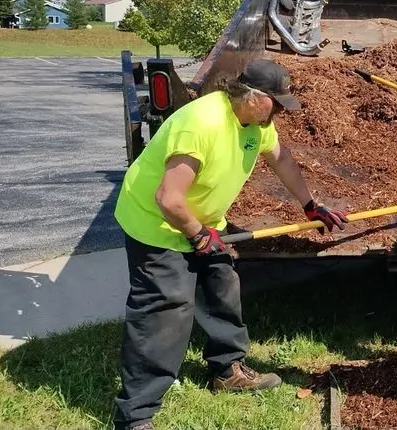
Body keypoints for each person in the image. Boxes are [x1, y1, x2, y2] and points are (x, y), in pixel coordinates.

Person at [110, 57, 348, 430]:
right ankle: (136, 415)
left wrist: (310, 205)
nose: (281, 113)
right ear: (252, 96)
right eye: (277, 103)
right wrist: (198, 236)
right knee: (166, 308)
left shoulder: (256, 121)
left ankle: (227, 371)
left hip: (200, 222)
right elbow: (168, 199)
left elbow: (281, 159)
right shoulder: (201, 123)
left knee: (222, 288)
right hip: (156, 224)